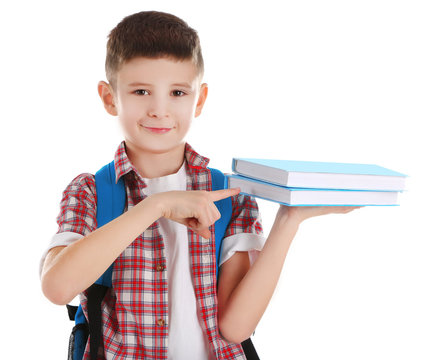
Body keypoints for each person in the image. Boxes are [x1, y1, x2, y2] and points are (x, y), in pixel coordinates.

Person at [40, 10, 358, 360]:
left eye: (177, 92)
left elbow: (235, 328)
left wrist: (289, 220)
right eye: (141, 91)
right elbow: (57, 287)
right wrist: (155, 206)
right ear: (109, 97)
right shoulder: (90, 191)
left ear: (200, 99)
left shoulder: (230, 194)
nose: (159, 109)